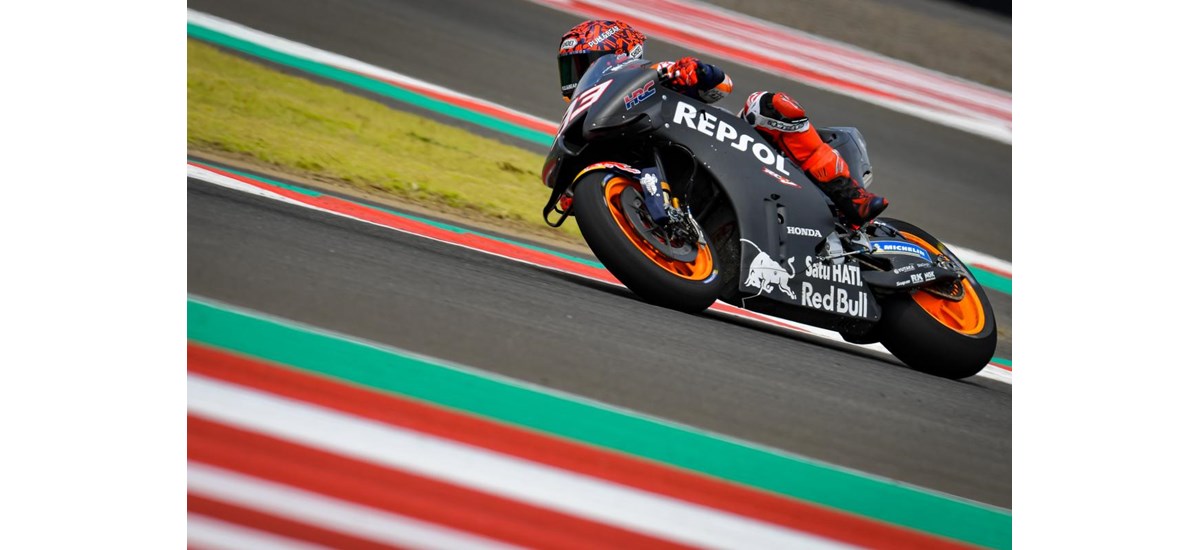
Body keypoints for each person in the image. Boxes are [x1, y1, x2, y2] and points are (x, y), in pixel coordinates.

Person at [557, 20, 888, 226]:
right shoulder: (600, 119)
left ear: (622, 52)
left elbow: (721, 86)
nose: (577, 77)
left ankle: (851, 196)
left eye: (583, 64)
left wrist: (696, 71)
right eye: (570, 69)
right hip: (701, 193)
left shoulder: (654, 74)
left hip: (736, 151)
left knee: (767, 104)